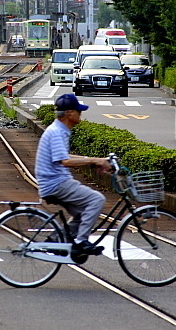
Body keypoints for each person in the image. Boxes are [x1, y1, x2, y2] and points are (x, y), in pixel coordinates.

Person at [34, 93, 111, 255]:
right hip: (56, 183)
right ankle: (81, 241)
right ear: (69, 113)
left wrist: (96, 160)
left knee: (82, 213)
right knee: (97, 199)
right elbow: (66, 161)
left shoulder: (59, 129)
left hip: (54, 182)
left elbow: (65, 157)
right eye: (78, 111)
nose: (80, 114)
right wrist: (93, 160)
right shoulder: (57, 132)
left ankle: (55, 240)